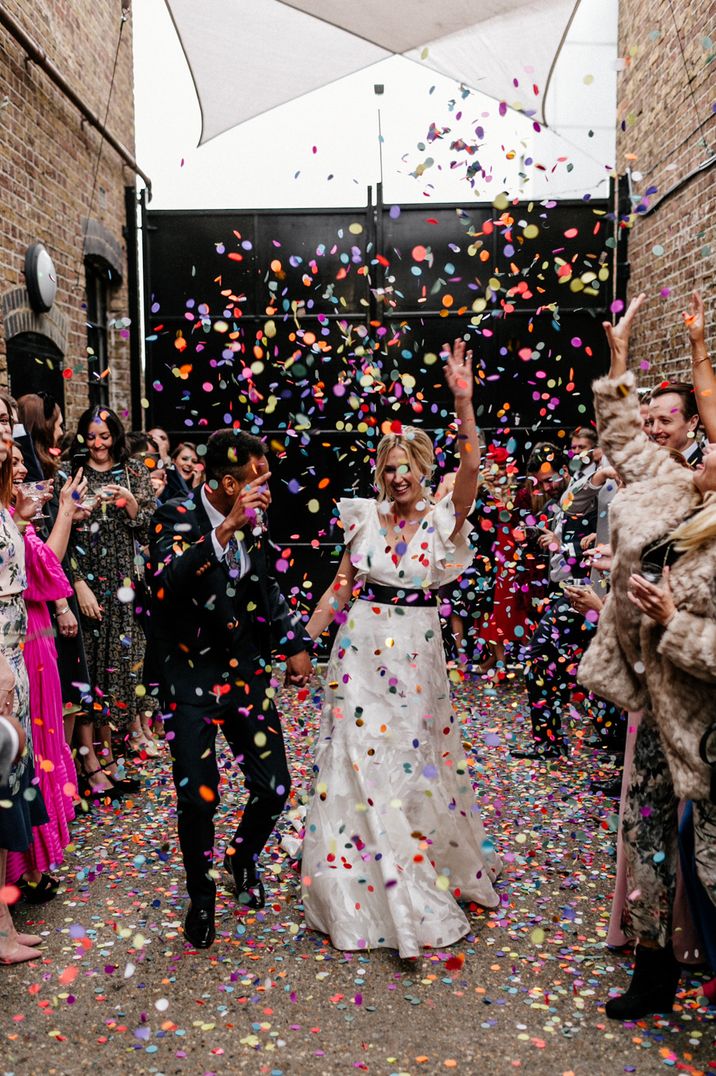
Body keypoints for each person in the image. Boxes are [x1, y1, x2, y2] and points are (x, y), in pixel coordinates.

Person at [301, 339, 502, 959]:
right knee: (356, 758)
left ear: (422, 465)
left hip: (415, 654)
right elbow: (340, 585)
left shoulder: (445, 519)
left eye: (405, 466)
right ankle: (353, 882)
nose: (396, 477)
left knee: (408, 765)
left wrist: (464, 403)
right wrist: (301, 642)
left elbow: (469, 475)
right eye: (387, 468)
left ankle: (413, 874)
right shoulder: (361, 518)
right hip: (360, 648)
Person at [578, 292, 716, 1020]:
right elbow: (622, 432)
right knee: (649, 840)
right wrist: (620, 361)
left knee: (714, 859)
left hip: (706, 712)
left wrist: (670, 621)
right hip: (655, 704)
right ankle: (653, 970)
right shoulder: (665, 483)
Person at [148, 429, 313, 949]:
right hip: (190, 678)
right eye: (256, 479)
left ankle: (242, 858)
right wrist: (222, 535)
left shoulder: (257, 524)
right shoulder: (174, 515)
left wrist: (294, 642)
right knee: (199, 798)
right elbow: (164, 586)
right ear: (225, 483)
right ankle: (201, 897)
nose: (266, 488)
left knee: (276, 787)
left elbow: (266, 586)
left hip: (246, 674)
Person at [6, 445, 87, 901]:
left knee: (44, 743)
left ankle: (33, 863)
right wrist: (63, 515)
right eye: (14, 462)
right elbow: (47, 567)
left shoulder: (15, 517)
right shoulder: (11, 519)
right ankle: (25, 866)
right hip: (23, 642)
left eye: (22, 461)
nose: (21, 468)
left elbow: (43, 566)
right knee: (32, 750)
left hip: (34, 636)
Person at [67, 406, 156, 793]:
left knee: (119, 672)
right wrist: (77, 584)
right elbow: (61, 530)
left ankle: (107, 755)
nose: (98, 444)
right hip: (88, 585)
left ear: (115, 436)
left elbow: (150, 524)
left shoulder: (134, 470)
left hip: (124, 586)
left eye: (104, 436)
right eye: (91, 437)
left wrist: (129, 501)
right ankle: (92, 764)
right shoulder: (74, 473)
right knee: (89, 674)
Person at [17, 392, 89, 748]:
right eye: (58, 422)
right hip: (40, 597)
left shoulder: (47, 468)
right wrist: (63, 602)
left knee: (68, 681)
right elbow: (40, 555)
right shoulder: (30, 476)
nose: (62, 430)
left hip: (52, 583)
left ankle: (76, 761)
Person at [0, 430, 47, 964]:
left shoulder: (6, 511)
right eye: (10, 460)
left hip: (14, 658)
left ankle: (6, 920)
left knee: (10, 793)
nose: (18, 466)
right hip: (2, 662)